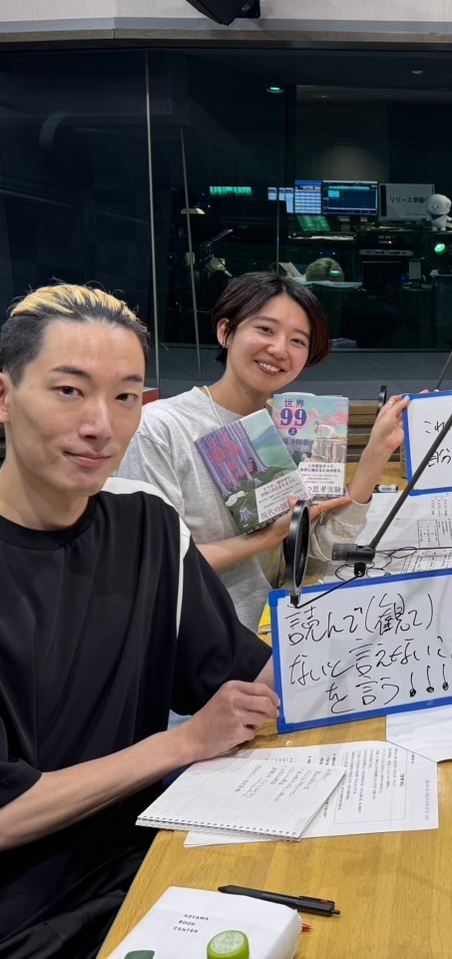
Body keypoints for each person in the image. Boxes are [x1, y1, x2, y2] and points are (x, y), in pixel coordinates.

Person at [0, 284, 278, 957]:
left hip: (149, 869)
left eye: (126, 396)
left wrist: (395, 633)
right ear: (4, 397)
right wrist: (182, 745)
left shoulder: (146, 522)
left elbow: (244, 678)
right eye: (70, 391)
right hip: (24, 917)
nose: (102, 424)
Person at [118, 272, 409, 628]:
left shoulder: (297, 429)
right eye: (266, 330)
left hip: (266, 637)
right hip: (187, 643)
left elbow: (317, 553)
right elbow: (150, 566)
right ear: (225, 332)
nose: (279, 349)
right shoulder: (160, 428)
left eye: (298, 340)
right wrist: (266, 538)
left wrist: (376, 453)